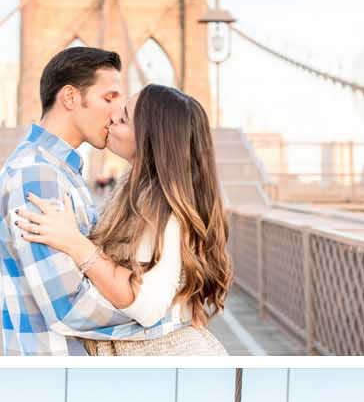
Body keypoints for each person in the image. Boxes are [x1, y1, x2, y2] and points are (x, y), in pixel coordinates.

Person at [16, 80, 231, 358]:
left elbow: (147, 305)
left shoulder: (161, 207)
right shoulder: (139, 190)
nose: (113, 116)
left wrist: (76, 244)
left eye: (125, 117)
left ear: (151, 139)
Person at [0, 47, 183, 357]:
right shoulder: (37, 175)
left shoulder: (63, 172)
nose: (116, 112)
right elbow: (68, 307)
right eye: (108, 99)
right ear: (70, 98)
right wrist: (164, 319)